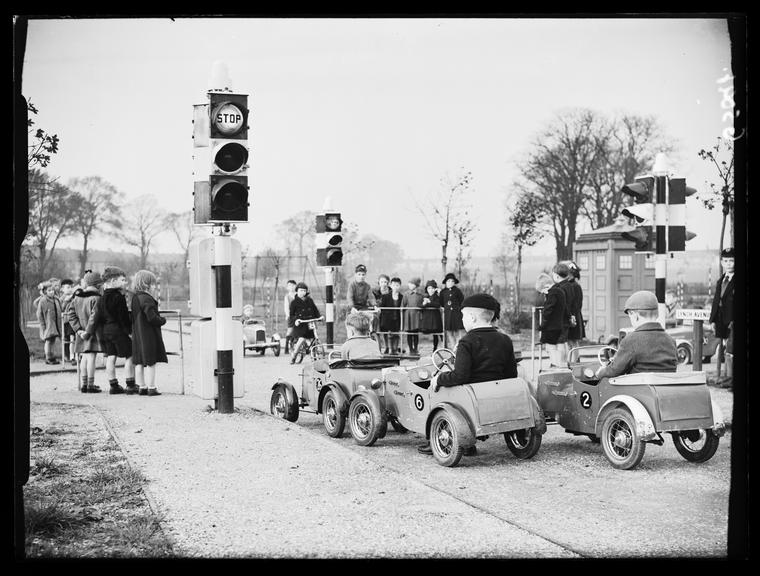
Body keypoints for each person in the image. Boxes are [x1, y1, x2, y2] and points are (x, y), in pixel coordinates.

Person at [417, 293, 517, 456]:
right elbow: (511, 373)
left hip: (470, 394)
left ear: (472, 317)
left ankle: (438, 438)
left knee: (436, 391)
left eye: (463, 316)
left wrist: (439, 378)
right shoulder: (505, 339)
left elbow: (460, 376)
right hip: (496, 392)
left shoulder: (466, 342)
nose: (462, 320)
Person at [595, 290, 677, 379]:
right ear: (657, 314)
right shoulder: (671, 341)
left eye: (630, 316)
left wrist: (601, 372)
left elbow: (614, 371)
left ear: (634, 315)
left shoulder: (630, 341)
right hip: (665, 390)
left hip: (637, 391)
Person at [93, 266, 136, 394]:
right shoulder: (119, 297)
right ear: (112, 281)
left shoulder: (100, 298)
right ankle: (130, 384)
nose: (125, 282)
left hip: (106, 331)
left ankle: (113, 385)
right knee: (130, 355)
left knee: (111, 357)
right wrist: (129, 331)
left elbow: (98, 318)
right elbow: (122, 317)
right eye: (122, 280)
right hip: (118, 330)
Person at [131, 270, 168, 396]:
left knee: (139, 362)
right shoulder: (147, 299)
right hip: (148, 335)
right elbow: (151, 318)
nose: (154, 287)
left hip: (137, 334)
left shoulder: (135, 298)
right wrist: (162, 320)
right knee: (151, 362)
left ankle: (142, 387)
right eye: (153, 284)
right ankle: (152, 387)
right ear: (147, 284)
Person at [68, 271, 104, 393]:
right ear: (98, 284)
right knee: (92, 358)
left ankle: (83, 384)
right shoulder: (97, 298)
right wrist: (88, 332)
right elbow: (94, 317)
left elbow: (70, 315)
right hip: (92, 334)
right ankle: (90, 384)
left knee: (84, 358)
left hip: (81, 333)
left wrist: (78, 330)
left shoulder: (77, 298)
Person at [535, 272, 567, 368]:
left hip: (551, 326)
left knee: (550, 347)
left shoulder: (552, 294)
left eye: (543, 291)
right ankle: (559, 364)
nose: (544, 294)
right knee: (556, 346)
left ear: (546, 286)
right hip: (559, 324)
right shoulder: (561, 291)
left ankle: (555, 364)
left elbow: (548, 310)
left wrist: (542, 325)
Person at [709, 248, 734, 362]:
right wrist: (713, 319)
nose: (728, 264)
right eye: (726, 261)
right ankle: (726, 376)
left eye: (732, 260)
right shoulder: (721, 280)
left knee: (731, 350)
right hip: (721, 320)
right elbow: (716, 301)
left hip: (732, 320)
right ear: (722, 262)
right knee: (724, 351)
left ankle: (730, 377)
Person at [289, 282, 322, 364]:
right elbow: (292, 315)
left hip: (310, 322)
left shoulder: (310, 300)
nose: (302, 292)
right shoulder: (294, 302)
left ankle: (314, 354)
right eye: (300, 290)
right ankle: (294, 356)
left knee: (313, 337)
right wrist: (296, 320)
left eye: (304, 290)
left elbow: (315, 310)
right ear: (296, 291)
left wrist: (319, 317)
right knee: (302, 339)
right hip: (300, 324)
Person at [36, 280, 62, 365]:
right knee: (48, 341)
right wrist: (43, 325)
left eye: (52, 290)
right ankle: (48, 357)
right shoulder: (43, 300)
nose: (51, 292)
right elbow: (39, 314)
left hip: (55, 324)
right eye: (49, 290)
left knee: (53, 340)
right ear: (45, 292)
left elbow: (59, 309)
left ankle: (52, 356)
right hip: (48, 325)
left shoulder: (56, 299)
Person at [562, 261, 585, 348]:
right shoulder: (570, 285)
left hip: (573, 316)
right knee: (570, 343)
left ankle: (574, 361)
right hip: (572, 316)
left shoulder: (574, 286)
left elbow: (577, 305)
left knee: (573, 342)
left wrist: (570, 316)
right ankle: (572, 360)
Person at [379, 277, 404, 355]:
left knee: (397, 334)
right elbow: (382, 307)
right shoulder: (386, 296)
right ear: (390, 285)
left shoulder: (402, 297)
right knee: (390, 334)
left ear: (400, 286)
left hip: (398, 318)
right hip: (388, 319)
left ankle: (395, 349)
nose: (395, 287)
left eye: (397, 285)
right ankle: (390, 349)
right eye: (394, 285)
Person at [440, 272, 464, 350]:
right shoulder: (443, 292)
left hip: (456, 314)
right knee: (449, 333)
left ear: (454, 283)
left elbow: (461, 301)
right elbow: (441, 303)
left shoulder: (457, 291)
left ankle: (457, 349)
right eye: (448, 281)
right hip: (448, 315)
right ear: (446, 282)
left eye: (452, 281)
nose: (450, 283)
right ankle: (453, 349)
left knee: (458, 333)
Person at [402, 277, 424, 356]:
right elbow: (402, 305)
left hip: (416, 316)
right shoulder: (406, 294)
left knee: (415, 333)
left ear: (416, 285)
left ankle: (415, 348)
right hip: (408, 316)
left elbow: (422, 305)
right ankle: (411, 349)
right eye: (409, 283)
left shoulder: (420, 295)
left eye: (411, 283)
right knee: (409, 333)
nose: (409, 285)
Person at [420, 280, 443, 351]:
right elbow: (420, 306)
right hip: (427, 318)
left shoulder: (437, 297)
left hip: (435, 317)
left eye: (432, 288)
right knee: (433, 333)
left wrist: (429, 302)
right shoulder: (425, 296)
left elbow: (438, 304)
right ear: (427, 289)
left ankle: (442, 346)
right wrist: (424, 303)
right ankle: (434, 347)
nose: (431, 290)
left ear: (435, 289)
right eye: (429, 288)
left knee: (438, 332)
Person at [59, 279, 77, 365]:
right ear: (62, 289)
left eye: (71, 287)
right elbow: (61, 309)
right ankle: (67, 356)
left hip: (73, 322)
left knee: (72, 339)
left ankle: (73, 357)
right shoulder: (61, 298)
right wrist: (66, 300)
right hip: (66, 321)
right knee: (66, 340)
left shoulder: (75, 297)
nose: (70, 289)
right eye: (68, 287)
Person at [372, 274, 390, 351]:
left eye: (385, 282)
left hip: (388, 314)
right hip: (378, 314)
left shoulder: (391, 291)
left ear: (388, 283)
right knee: (377, 331)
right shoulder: (375, 292)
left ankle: (387, 347)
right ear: (379, 282)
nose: (384, 284)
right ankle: (378, 348)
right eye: (382, 282)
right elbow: (373, 302)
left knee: (386, 332)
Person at [283, 280, 297, 354]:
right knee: (290, 330)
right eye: (289, 285)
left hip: (299, 315)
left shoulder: (298, 295)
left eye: (293, 285)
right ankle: (286, 347)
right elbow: (286, 307)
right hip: (291, 316)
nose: (291, 287)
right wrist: (288, 315)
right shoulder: (287, 297)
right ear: (287, 287)